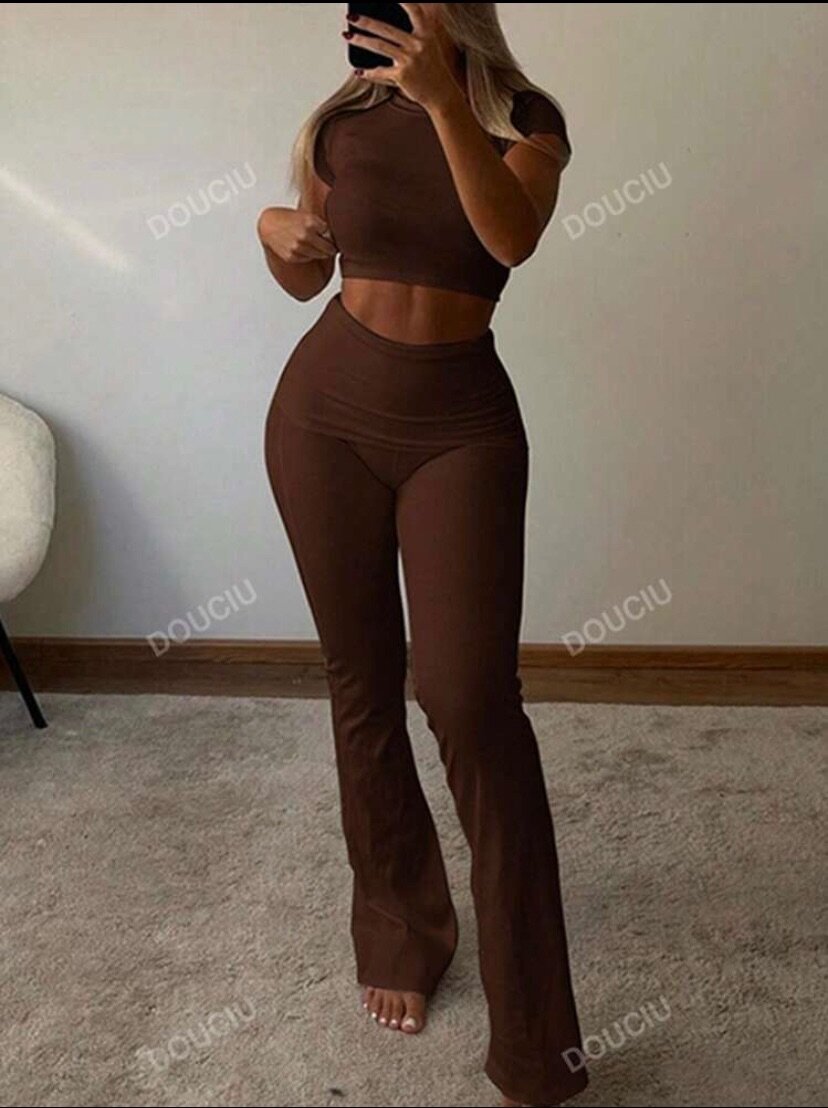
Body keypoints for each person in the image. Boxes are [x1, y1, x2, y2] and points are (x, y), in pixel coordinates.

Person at [257, 5, 588, 1105]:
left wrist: (446, 101)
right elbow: (306, 277)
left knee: (469, 700)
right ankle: (401, 928)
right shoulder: (340, 120)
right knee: (360, 682)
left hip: (461, 428)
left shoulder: (523, 116)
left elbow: (510, 240)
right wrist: (275, 234)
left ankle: (536, 1038)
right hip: (324, 414)